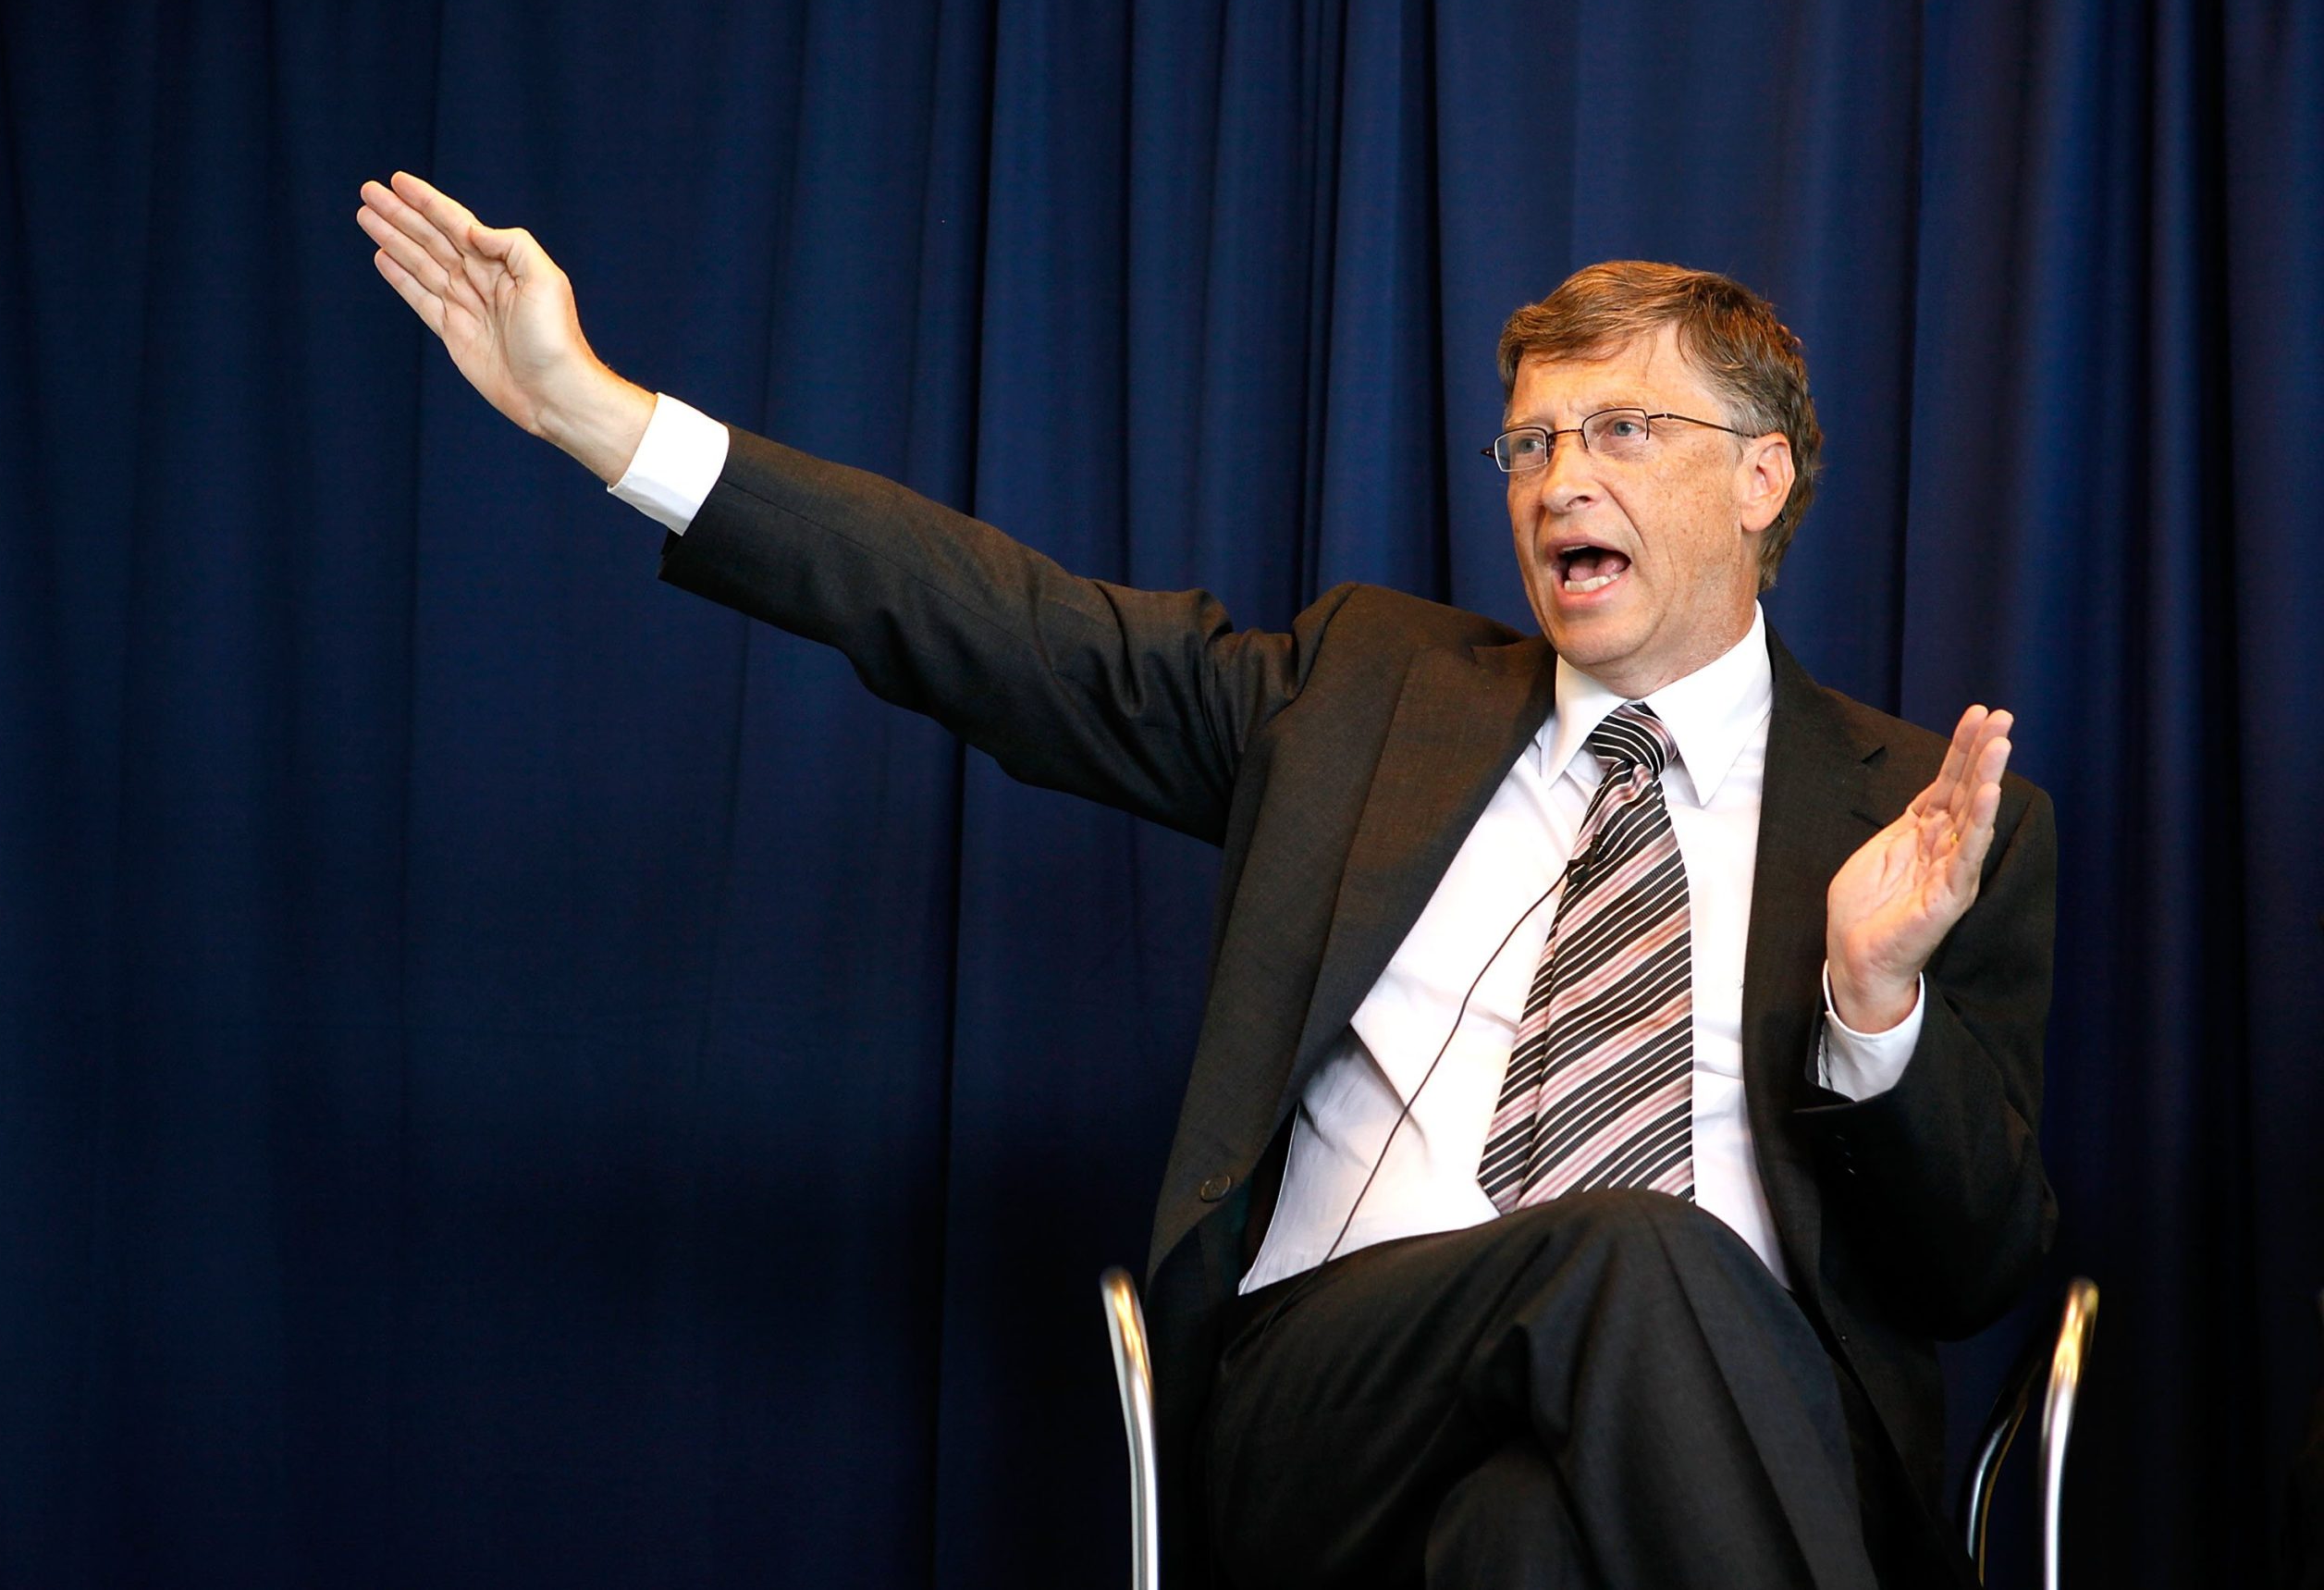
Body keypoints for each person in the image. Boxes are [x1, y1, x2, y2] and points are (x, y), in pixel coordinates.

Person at [357, 170, 2057, 1589]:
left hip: (1701, 1459)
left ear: (1763, 476)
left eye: (1621, 429)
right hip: (1331, 1396)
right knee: (1644, 1252)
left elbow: (1970, 1271)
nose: (1561, 484)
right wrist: (602, 417)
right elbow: (1003, 631)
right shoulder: (1363, 692)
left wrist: (1872, 1003)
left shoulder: (1916, 813)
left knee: (1532, 1543)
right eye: (1531, 445)